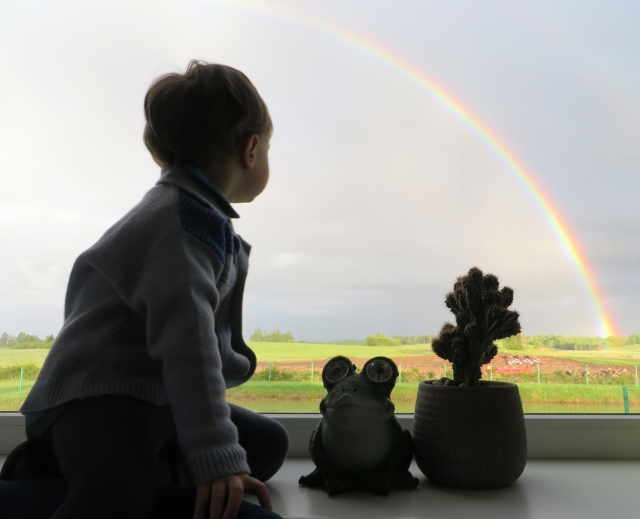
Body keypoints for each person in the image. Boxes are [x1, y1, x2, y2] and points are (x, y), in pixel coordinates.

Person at [16, 60, 289, 519]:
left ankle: (92, 467)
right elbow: (189, 349)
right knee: (122, 491)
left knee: (268, 445)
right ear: (251, 149)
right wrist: (215, 460)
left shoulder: (196, 216)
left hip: (155, 395)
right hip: (99, 396)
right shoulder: (178, 228)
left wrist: (219, 458)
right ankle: (73, 466)